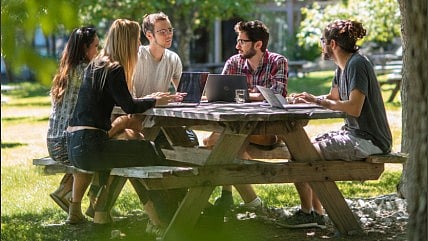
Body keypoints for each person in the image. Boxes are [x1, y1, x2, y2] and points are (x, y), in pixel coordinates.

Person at [281, 19, 392, 228]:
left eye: (323, 41)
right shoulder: (342, 66)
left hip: (369, 140)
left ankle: (311, 214)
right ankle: (316, 213)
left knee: (302, 153)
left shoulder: (357, 64)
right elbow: (333, 97)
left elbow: (354, 107)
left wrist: (318, 101)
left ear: (332, 44)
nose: (322, 45)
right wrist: (310, 99)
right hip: (354, 135)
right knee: (301, 149)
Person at [66, 19, 175, 224]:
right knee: (148, 150)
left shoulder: (96, 65)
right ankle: (166, 213)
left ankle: (101, 217)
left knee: (123, 154)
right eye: (135, 42)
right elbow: (130, 107)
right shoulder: (114, 69)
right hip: (91, 147)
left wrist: (149, 99)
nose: (137, 47)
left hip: (75, 145)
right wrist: (156, 100)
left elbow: (126, 102)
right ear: (127, 42)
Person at [203, 20, 288, 213]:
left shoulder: (277, 62)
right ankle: (240, 200)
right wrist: (254, 94)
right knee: (221, 141)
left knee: (215, 142)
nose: (237, 46)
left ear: (258, 44)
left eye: (242, 41)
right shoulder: (234, 62)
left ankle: (233, 197)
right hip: (238, 127)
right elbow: (219, 94)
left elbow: (277, 95)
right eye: (238, 40)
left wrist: (244, 94)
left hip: (269, 130)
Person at [47, 26, 99, 224]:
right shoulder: (86, 71)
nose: (98, 51)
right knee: (103, 149)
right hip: (68, 144)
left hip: (53, 142)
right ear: (85, 48)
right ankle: (94, 205)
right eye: (96, 46)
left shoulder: (65, 70)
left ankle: (66, 192)